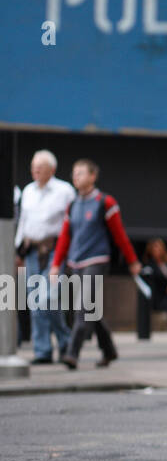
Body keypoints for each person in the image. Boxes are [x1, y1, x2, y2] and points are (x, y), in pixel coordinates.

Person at [48, 159, 140, 369]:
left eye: (80, 173)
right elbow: (64, 237)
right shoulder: (72, 205)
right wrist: (56, 264)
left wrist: (133, 260)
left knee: (84, 307)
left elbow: (120, 235)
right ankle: (109, 350)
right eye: (74, 173)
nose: (75, 177)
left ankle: (72, 353)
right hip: (76, 262)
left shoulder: (105, 202)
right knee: (92, 310)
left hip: (97, 261)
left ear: (92, 176)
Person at [14, 150, 75, 363]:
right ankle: (42, 351)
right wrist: (17, 250)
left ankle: (65, 340)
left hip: (54, 251)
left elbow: (72, 224)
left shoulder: (64, 191)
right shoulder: (28, 191)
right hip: (31, 251)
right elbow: (23, 221)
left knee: (49, 298)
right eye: (33, 166)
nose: (35, 170)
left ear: (52, 170)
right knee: (35, 300)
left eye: (40, 167)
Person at [142, 239, 167, 326]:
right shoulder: (149, 265)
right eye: (155, 248)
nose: (157, 251)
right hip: (154, 301)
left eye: (159, 248)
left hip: (165, 301)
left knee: (164, 323)